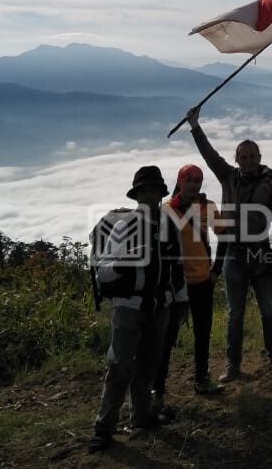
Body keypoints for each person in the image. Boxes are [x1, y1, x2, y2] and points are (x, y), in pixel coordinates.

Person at [186, 106, 272, 382]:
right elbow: (209, 156)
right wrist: (195, 127)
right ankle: (232, 365)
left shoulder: (271, 185)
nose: (247, 160)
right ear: (237, 159)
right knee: (235, 314)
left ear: (259, 158)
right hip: (233, 256)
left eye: (252, 156)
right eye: (243, 156)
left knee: (268, 309)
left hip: (261, 256)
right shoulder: (228, 176)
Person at [88, 166, 187, 453]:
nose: (149, 195)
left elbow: (176, 267)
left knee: (148, 364)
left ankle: (141, 417)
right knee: (119, 366)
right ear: (136, 195)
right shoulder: (124, 227)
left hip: (160, 306)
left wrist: (181, 300)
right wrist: (124, 262)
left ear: (160, 193)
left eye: (153, 190)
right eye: (143, 190)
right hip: (128, 306)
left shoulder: (171, 226)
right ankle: (103, 428)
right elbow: (104, 272)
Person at [153, 164, 225, 401]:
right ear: (180, 181)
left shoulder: (207, 207)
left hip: (203, 280)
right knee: (167, 335)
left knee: (202, 332)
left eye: (197, 180)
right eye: (189, 180)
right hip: (176, 284)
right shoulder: (167, 209)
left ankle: (201, 379)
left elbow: (224, 237)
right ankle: (158, 387)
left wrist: (216, 270)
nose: (193, 184)